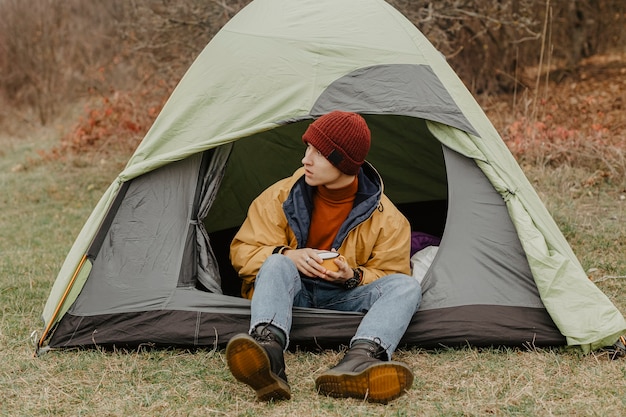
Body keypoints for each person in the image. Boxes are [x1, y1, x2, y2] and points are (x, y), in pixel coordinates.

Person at [225, 110, 422, 404]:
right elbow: (242, 252)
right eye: (308, 149)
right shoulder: (280, 196)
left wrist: (352, 276)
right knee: (277, 262)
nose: (306, 159)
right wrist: (289, 255)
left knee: (408, 287)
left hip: (343, 298)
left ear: (343, 162)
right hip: (291, 294)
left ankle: (360, 361)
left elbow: (391, 274)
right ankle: (268, 352)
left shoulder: (389, 219)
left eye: (318, 153)